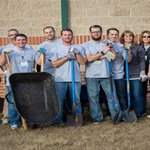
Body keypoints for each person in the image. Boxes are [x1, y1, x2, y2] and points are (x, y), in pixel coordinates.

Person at [83, 25, 121, 124]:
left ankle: (116, 116)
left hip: (106, 74)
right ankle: (97, 118)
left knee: (112, 96)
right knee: (93, 97)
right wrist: (102, 52)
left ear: (101, 32)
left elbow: (113, 58)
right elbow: (89, 59)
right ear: (90, 33)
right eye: (94, 32)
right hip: (91, 76)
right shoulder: (86, 45)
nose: (96, 33)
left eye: (98, 31)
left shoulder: (107, 43)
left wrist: (111, 48)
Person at [0, 33, 39, 129]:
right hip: (13, 81)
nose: (21, 42)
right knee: (13, 102)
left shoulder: (31, 52)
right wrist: (4, 54)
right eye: (18, 40)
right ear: (14, 41)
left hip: (27, 81)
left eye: (23, 40)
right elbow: (1, 63)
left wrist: (43, 54)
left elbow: (39, 62)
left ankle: (28, 120)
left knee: (28, 102)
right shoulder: (10, 52)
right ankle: (14, 122)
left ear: (26, 41)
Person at [51, 28, 86, 125]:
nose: (67, 36)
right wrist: (67, 57)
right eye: (65, 35)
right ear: (61, 36)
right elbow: (55, 64)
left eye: (69, 34)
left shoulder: (79, 47)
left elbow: (82, 62)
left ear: (72, 36)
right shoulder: (55, 48)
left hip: (75, 79)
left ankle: (77, 120)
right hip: (60, 79)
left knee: (76, 100)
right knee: (59, 101)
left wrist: (77, 53)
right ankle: (57, 121)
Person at [120, 30, 147, 117]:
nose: (129, 38)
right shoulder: (120, 47)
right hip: (124, 75)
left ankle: (138, 112)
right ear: (123, 37)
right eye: (126, 36)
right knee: (127, 94)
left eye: (130, 36)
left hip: (135, 75)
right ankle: (129, 110)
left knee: (136, 94)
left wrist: (142, 72)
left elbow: (142, 60)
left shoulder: (138, 48)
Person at [106, 28, 132, 118]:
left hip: (118, 75)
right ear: (108, 35)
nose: (114, 36)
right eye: (112, 34)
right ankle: (112, 113)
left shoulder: (121, 46)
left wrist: (127, 51)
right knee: (111, 96)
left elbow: (128, 60)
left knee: (121, 95)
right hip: (107, 75)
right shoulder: (103, 44)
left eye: (116, 34)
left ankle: (124, 112)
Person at [139, 30, 150, 117]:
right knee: (142, 91)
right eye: (144, 36)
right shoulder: (138, 47)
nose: (146, 38)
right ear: (141, 38)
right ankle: (143, 109)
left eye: (148, 36)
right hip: (141, 73)